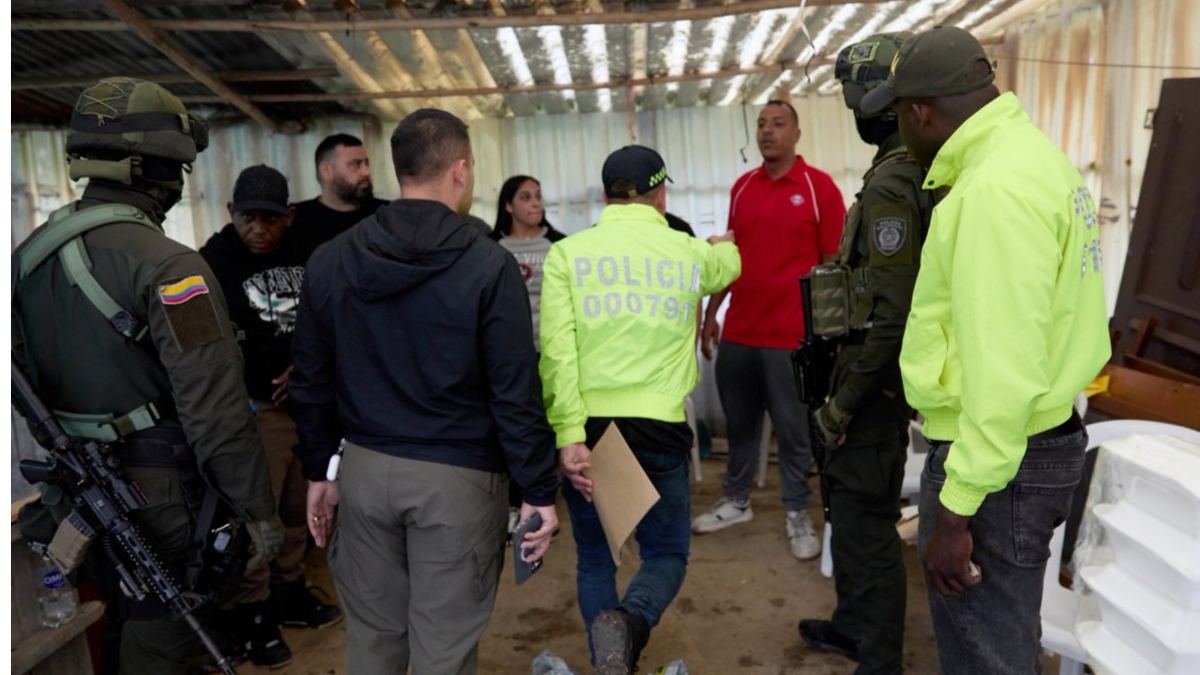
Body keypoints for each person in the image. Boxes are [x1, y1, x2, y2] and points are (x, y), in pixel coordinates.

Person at [859, 25, 1110, 674]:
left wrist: (956, 509)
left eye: (900, 118)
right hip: (1030, 445)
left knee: (986, 657)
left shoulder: (990, 192)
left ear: (919, 112)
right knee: (1005, 641)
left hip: (1001, 463)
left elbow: (1002, 371)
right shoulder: (1036, 161)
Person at [10, 77, 282, 675]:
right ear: (154, 170)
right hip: (161, 493)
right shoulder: (171, 267)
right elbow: (217, 412)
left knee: (118, 615)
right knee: (169, 634)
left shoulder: (27, 260)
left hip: (76, 485)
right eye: (177, 171)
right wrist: (259, 515)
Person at [289, 108, 561, 675]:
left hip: (363, 470)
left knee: (373, 642)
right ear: (460, 170)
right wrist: (537, 489)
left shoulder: (332, 259)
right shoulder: (490, 264)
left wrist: (321, 470)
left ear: (399, 169)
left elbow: (311, 378)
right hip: (457, 479)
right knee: (444, 649)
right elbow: (515, 390)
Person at [540, 145, 741, 675]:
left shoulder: (568, 255)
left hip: (590, 426)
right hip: (658, 426)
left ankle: (610, 663)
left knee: (595, 557)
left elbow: (556, 351)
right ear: (660, 193)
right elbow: (728, 267)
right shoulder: (686, 250)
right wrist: (724, 242)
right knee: (666, 553)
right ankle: (629, 625)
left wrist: (567, 434)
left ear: (606, 195)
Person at [795, 32, 937, 675]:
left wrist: (841, 406)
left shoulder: (894, 181)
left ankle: (879, 658)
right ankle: (853, 626)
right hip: (861, 378)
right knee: (847, 514)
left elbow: (892, 313)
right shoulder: (894, 170)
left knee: (868, 525)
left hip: (870, 389)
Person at [199, 165, 343, 669]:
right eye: (247, 218)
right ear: (229, 213)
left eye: (270, 219)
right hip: (253, 412)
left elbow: (333, 318)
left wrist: (306, 366)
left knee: (298, 510)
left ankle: (286, 592)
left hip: (307, 408)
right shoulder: (211, 262)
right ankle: (251, 612)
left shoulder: (308, 252)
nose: (258, 229)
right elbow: (201, 344)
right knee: (254, 518)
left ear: (290, 215)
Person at [692, 100, 847, 561]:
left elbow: (833, 266)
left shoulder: (819, 188)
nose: (767, 131)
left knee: (795, 431)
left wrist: (830, 336)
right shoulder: (743, 187)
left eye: (778, 124)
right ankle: (736, 500)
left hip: (793, 337)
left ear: (797, 133)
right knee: (740, 425)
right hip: (741, 330)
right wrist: (711, 313)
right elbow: (732, 258)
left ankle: (797, 511)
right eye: (761, 124)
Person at [490, 174, 568, 529]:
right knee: (514, 427)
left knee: (550, 429)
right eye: (526, 197)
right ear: (508, 205)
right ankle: (512, 501)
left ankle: (543, 499)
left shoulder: (560, 247)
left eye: (539, 196)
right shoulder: (491, 249)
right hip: (508, 358)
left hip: (553, 354)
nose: (536, 203)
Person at [289, 133, 390, 257]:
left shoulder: (387, 214)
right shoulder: (296, 219)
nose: (366, 172)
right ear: (326, 171)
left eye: (366, 163)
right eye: (355, 164)